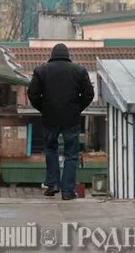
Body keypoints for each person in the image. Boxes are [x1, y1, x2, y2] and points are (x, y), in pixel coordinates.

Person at [26, 43, 94, 200]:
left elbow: (33, 94)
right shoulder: (79, 71)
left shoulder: (41, 70)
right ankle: (68, 191)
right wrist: (77, 108)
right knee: (71, 154)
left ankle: (53, 184)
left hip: (50, 117)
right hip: (71, 118)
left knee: (51, 149)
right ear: (68, 55)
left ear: (52, 55)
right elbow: (88, 94)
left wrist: (43, 108)